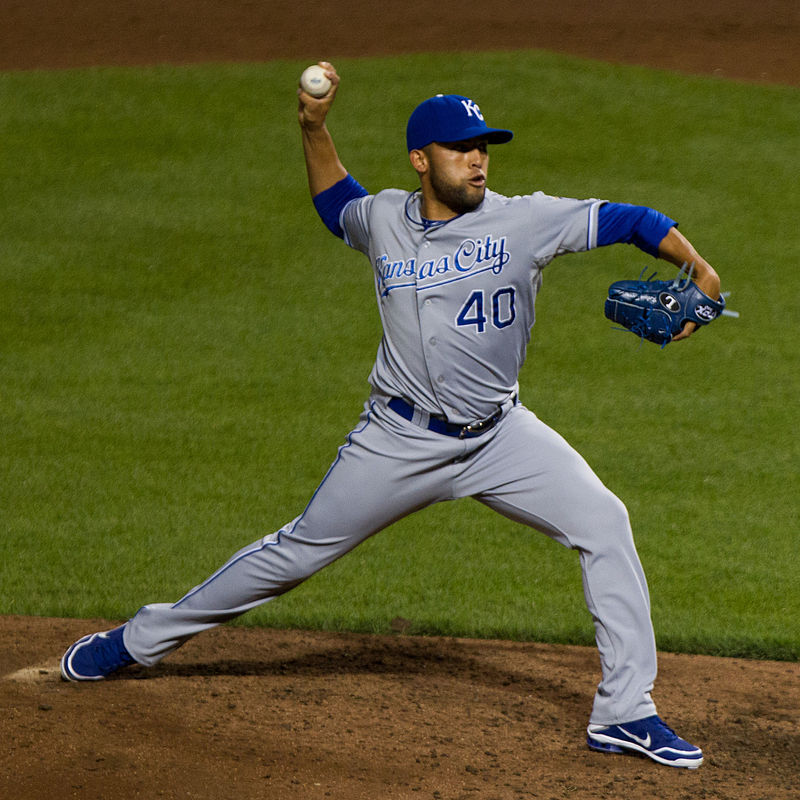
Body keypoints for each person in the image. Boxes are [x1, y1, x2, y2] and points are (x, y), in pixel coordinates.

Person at [62, 62, 720, 770]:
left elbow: (628, 220)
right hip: (398, 440)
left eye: (483, 147)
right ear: (420, 160)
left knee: (605, 523)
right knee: (294, 554)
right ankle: (139, 640)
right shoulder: (383, 220)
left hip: (501, 437)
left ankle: (625, 712)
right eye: (460, 148)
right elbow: (332, 202)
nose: (476, 159)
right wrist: (313, 129)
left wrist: (700, 270)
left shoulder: (524, 220)